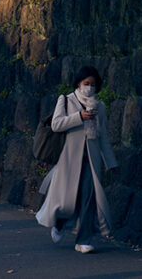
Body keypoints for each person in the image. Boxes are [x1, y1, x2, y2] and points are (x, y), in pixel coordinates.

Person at [35, 66, 119, 254]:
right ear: (78, 83)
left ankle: (84, 240)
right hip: (68, 159)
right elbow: (56, 125)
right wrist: (79, 117)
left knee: (88, 199)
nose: (89, 87)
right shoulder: (66, 100)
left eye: (93, 84)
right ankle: (60, 222)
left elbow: (103, 136)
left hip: (91, 159)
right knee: (66, 199)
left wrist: (111, 162)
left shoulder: (100, 106)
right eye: (86, 83)